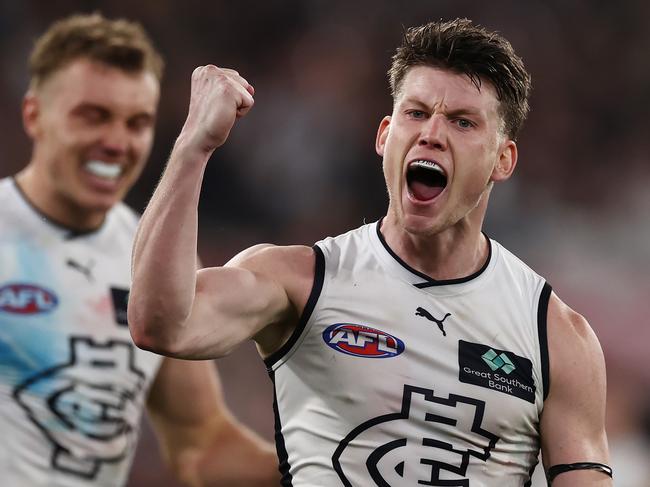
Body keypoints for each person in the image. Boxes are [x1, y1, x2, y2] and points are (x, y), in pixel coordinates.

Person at [129, 18, 612, 486]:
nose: (432, 134)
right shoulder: (302, 281)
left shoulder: (553, 334)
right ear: (385, 136)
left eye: (463, 122)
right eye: (416, 112)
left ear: (502, 160)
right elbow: (159, 324)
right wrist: (194, 145)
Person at [0, 13, 279, 487]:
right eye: (93, 116)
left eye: (137, 122)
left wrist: (322, 467)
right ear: (34, 115)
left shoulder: (151, 259)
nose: (116, 142)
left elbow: (201, 444)